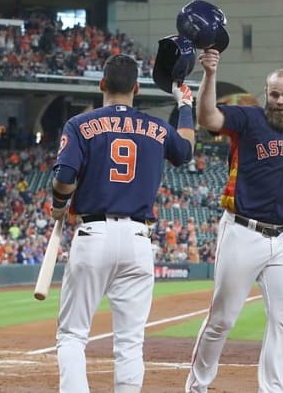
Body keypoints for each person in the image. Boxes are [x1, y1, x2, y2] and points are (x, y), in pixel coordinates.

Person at [185, 48, 283, 393]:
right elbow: (209, 118)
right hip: (242, 231)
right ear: (266, 93)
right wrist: (210, 75)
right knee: (222, 319)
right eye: (274, 94)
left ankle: (273, 388)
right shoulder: (248, 119)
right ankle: (197, 387)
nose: (280, 100)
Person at [50, 53, 196, 393]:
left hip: (93, 234)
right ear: (135, 88)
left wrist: (59, 204)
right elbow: (186, 150)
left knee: (72, 335)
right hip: (137, 238)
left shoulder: (80, 124)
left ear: (102, 84)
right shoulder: (157, 127)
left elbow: (65, 178)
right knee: (130, 341)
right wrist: (185, 105)